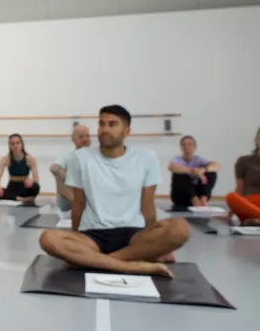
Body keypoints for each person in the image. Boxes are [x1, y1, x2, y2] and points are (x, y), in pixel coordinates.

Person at [39, 105, 190, 277]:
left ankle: (99, 261)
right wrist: (75, 243)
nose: (105, 129)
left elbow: (147, 206)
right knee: (48, 238)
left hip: (134, 235)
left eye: (112, 124)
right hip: (93, 235)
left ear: (127, 131)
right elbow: (78, 205)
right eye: (101, 124)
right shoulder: (80, 158)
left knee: (180, 228)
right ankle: (132, 265)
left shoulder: (147, 158)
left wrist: (153, 243)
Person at [168, 135, 220, 209]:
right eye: (184, 144)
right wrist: (193, 171)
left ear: (195, 147)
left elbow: (216, 166)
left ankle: (203, 199)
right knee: (179, 174)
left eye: (189, 144)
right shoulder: (176, 159)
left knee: (211, 172)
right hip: (182, 197)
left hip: (198, 194)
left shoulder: (198, 159)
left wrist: (203, 170)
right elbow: (171, 167)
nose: (187, 146)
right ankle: (195, 200)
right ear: (181, 147)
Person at [0, 133, 40, 203]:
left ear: (21, 144)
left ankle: (13, 198)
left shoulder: (30, 159)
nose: (15, 146)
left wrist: (31, 181)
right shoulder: (5, 159)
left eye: (18, 143)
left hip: (24, 188)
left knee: (36, 187)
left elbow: (36, 178)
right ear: (9, 146)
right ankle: (20, 199)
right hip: (12, 188)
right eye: (12, 144)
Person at [51, 125, 92, 212]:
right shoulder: (68, 156)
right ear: (73, 139)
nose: (85, 139)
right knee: (60, 177)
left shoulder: (95, 157)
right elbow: (54, 169)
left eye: (87, 136)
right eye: (81, 137)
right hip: (68, 203)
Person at [224, 128, 260, 226]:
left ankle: (254, 220)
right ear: (256, 140)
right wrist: (230, 214)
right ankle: (253, 218)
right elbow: (239, 189)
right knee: (231, 197)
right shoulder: (243, 161)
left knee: (251, 220)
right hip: (249, 203)